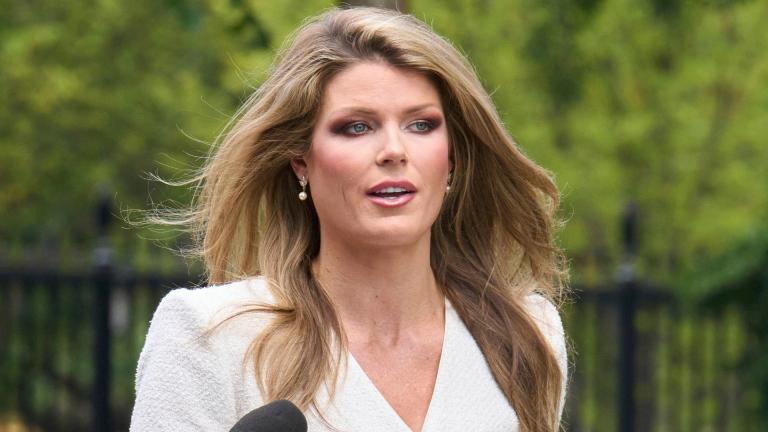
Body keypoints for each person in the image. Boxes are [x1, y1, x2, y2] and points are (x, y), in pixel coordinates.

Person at [130, 6, 569, 432]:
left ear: (452, 156)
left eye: (421, 125)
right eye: (357, 127)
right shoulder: (209, 336)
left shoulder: (525, 333)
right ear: (301, 161)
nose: (394, 150)